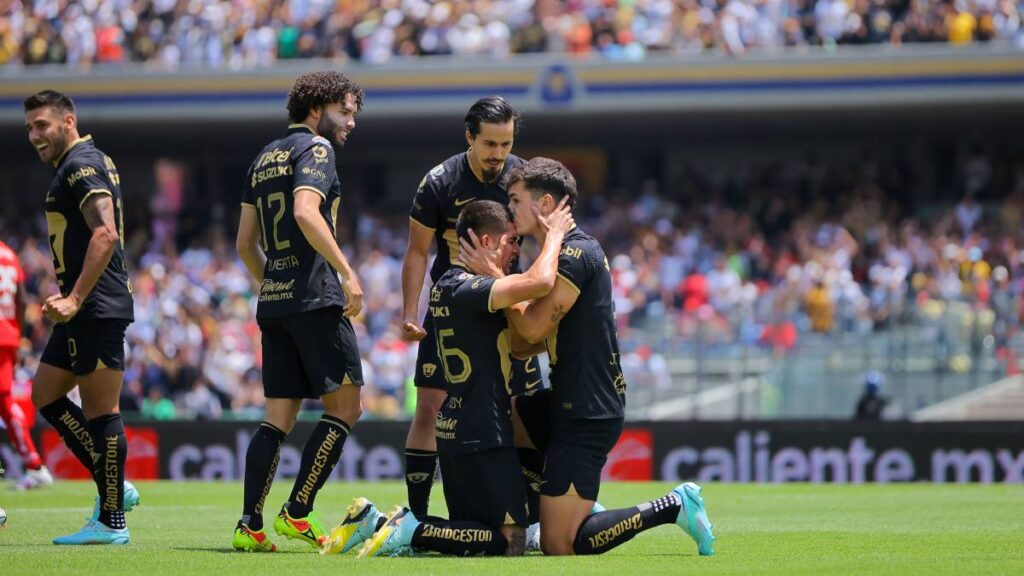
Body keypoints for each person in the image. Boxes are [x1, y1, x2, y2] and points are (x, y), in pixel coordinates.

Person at [462, 158, 716, 556]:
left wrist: (494, 279)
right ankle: (558, 505)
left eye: (515, 200)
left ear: (545, 204)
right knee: (509, 418)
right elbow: (527, 343)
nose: (508, 209)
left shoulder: (575, 255)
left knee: (559, 545)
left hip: (587, 410)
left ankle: (672, 506)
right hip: (564, 398)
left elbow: (529, 329)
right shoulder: (555, 253)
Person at [338, 198, 574, 558]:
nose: (515, 249)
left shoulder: (448, 285)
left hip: (456, 429)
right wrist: (555, 235)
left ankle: (374, 522)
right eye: (510, 240)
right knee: (509, 542)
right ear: (485, 243)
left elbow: (520, 341)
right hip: (483, 428)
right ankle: (409, 529)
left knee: (474, 535)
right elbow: (540, 281)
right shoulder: (473, 290)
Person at [232, 71, 366, 552]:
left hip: (276, 303)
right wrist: (347, 272)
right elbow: (307, 212)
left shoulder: (263, 156)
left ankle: (249, 524)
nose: (351, 122)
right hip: (315, 297)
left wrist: (272, 282)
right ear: (318, 107)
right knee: (347, 407)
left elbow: (245, 244)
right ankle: (297, 511)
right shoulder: (318, 150)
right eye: (345, 111)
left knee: (277, 418)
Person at [399, 95, 537, 520]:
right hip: (455, 305)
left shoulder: (523, 177)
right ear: (469, 138)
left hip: (507, 297)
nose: (499, 154)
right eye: (490, 144)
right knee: (429, 407)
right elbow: (418, 251)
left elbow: (546, 242)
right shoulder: (440, 182)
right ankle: (417, 517)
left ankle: (531, 518)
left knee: (522, 408)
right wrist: (409, 312)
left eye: (506, 144)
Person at [24, 90, 139, 545]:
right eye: (30, 127)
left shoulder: (80, 164)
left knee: (101, 410)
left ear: (67, 121)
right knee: (46, 394)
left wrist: (73, 298)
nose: (34, 136)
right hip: (86, 304)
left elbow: (105, 233)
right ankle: (113, 485)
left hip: (96, 304)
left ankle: (112, 520)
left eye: (42, 126)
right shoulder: (82, 162)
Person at [0, 239, 52, 489]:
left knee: (7, 402)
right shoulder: (8, 253)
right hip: (8, 335)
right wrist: (17, 334)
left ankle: (34, 464)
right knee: (6, 402)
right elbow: (21, 297)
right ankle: (33, 463)